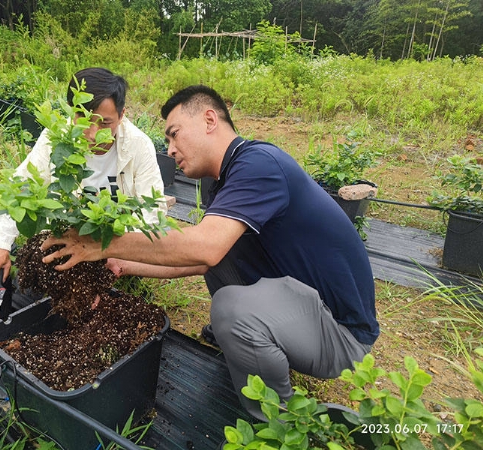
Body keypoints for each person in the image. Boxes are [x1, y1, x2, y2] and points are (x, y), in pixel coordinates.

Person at [39, 85, 379, 419]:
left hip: (340, 334)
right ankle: (254, 338)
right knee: (216, 259)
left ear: (209, 120)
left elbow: (205, 248)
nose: (169, 149)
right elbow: (200, 260)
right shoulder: (231, 181)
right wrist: (123, 264)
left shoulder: (260, 164)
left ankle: (280, 418)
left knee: (230, 308)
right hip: (304, 306)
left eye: (174, 134)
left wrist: (100, 244)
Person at [0, 67, 167, 288]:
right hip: (65, 242)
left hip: (116, 245)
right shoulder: (56, 140)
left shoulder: (138, 145)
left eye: (105, 123)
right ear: (72, 111)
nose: (93, 134)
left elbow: (152, 208)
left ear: (122, 115)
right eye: (83, 119)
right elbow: (20, 188)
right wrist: (0, 245)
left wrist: (114, 250)